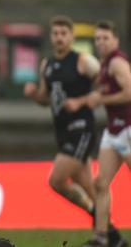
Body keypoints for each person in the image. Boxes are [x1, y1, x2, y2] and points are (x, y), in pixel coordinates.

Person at [23, 16, 101, 223]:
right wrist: (34, 95)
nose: (59, 38)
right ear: (51, 37)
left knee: (56, 180)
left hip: (82, 128)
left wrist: (81, 101)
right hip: (63, 131)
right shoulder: (47, 64)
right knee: (87, 185)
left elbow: (105, 88)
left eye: (63, 34)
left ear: (72, 36)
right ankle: (106, 228)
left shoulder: (83, 61)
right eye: (55, 34)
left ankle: (96, 215)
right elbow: (46, 99)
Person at [81, 20, 131, 247]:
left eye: (105, 38)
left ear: (115, 40)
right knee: (101, 183)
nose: (101, 42)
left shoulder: (117, 62)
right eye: (98, 38)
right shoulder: (104, 64)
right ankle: (102, 237)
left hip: (128, 129)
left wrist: (101, 99)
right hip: (113, 131)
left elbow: (129, 92)